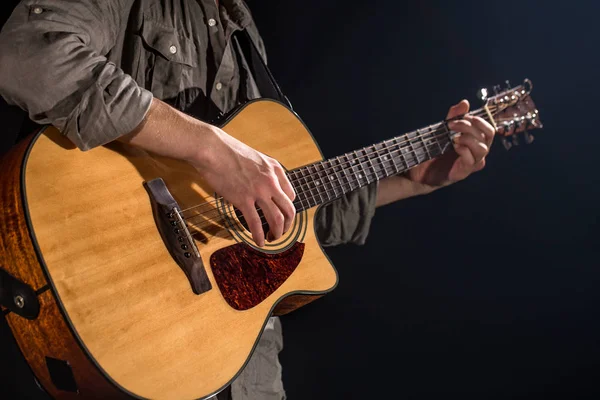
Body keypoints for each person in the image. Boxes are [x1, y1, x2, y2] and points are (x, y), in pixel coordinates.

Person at [0, 1, 495, 399]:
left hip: (246, 372)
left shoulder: (244, 33)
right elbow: (26, 59)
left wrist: (420, 179)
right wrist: (212, 149)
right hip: (123, 330)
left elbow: (282, 224)